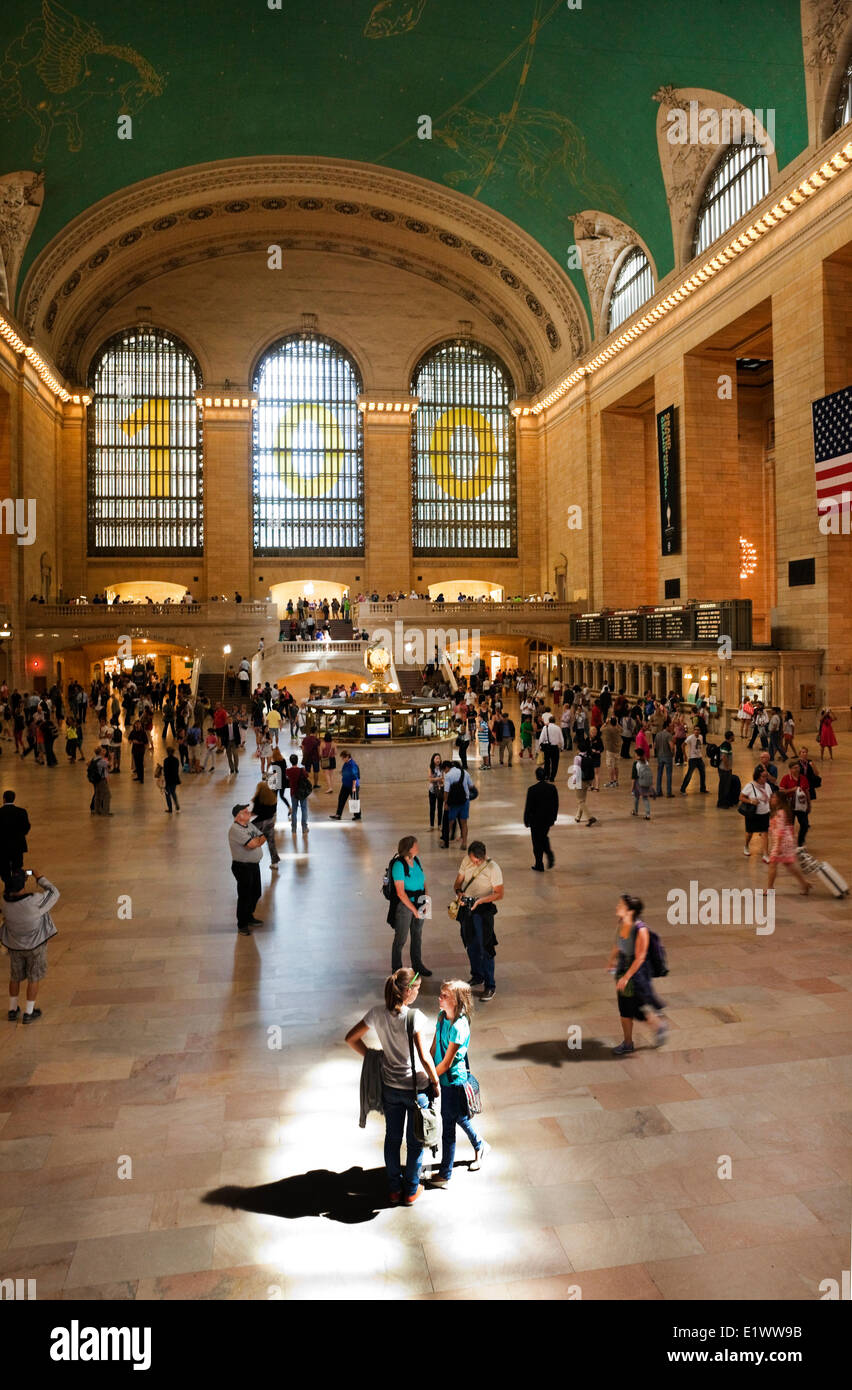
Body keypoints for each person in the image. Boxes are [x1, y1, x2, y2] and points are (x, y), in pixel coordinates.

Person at [345, 969, 441, 1206]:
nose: (418, 993)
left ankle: (394, 1189)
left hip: (390, 1087)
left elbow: (351, 1038)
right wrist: (436, 1083)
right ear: (407, 991)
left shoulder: (376, 1013)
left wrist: (372, 1056)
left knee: (392, 1138)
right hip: (416, 1088)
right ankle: (410, 1190)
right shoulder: (415, 1017)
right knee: (416, 1140)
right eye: (416, 989)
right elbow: (423, 1056)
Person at [428, 980, 489, 1187]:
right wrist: (426, 1067)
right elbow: (433, 1047)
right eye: (441, 994)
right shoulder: (441, 1017)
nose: (439, 997)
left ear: (456, 1001)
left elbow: (447, 1063)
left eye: (444, 995)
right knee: (459, 1117)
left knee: (449, 1127)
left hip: (453, 1082)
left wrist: (429, 1079)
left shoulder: (460, 1026)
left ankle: (445, 1174)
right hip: (441, 1077)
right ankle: (480, 1145)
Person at [606, 894, 667, 1054]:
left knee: (635, 1009)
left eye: (621, 905)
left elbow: (640, 957)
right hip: (622, 970)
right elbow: (618, 944)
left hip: (637, 975)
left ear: (631, 911)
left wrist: (627, 977)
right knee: (625, 1009)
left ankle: (658, 1026)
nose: (617, 907)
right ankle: (628, 1042)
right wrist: (611, 961)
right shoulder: (622, 923)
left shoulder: (641, 930)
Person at [2, 868, 59, 1026]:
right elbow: (54, 892)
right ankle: (29, 1012)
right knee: (34, 977)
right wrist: (39, 876)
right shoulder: (35, 900)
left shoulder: (4, 901)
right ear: (23, 885)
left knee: (15, 977)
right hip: (35, 945)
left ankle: (12, 1010)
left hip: (14, 946)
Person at [453, 841, 502, 1001]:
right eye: (474, 860)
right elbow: (458, 883)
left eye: (479, 860)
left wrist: (480, 901)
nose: (476, 862)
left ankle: (490, 985)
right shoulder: (466, 861)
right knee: (470, 944)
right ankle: (477, 975)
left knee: (486, 947)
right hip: (466, 910)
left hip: (483, 911)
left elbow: (499, 894)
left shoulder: (493, 868)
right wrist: (460, 893)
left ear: (484, 855)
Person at [388, 836, 432, 976]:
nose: (418, 847)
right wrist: (414, 910)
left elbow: (424, 881)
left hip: (421, 902)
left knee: (417, 935)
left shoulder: (416, 860)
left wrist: (426, 900)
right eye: (415, 845)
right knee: (401, 938)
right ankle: (397, 969)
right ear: (409, 848)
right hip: (405, 906)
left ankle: (417, 964)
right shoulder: (398, 865)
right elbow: (400, 893)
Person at [228, 805, 265, 936]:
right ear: (238, 816)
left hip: (254, 865)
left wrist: (256, 840)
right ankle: (242, 924)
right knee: (245, 896)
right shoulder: (235, 829)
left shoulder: (249, 825)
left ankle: (249, 916)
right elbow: (253, 844)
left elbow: (262, 837)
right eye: (245, 811)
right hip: (242, 867)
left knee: (256, 893)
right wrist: (256, 840)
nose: (248, 812)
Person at [767, 794, 811, 894]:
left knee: (773, 864)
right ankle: (805, 884)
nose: (771, 799)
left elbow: (780, 830)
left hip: (782, 842)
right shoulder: (779, 812)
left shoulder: (780, 813)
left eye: (774, 797)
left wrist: (777, 846)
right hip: (784, 841)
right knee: (789, 865)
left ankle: (770, 888)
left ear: (779, 800)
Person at [524, 766, 558, 870]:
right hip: (547, 819)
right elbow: (556, 804)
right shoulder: (552, 788)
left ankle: (539, 863)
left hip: (535, 820)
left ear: (536, 777)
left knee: (536, 841)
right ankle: (548, 854)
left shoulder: (532, 789)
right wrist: (553, 818)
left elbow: (528, 806)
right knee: (543, 837)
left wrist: (526, 820)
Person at [740, 765, 772, 862]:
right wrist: (751, 801)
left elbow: (770, 798)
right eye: (763, 776)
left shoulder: (767, 786)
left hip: (765, 813)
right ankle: (746, 845)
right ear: (758, 776)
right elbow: (741, 797)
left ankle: (765, 854)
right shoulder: (750, 786)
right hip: (753, 814)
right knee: (750, 833)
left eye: (766, 776)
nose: (765, 778)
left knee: (765, 833)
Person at [0, 790, 30, 888]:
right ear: (14, 799)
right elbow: (27, 827)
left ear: (3, 799)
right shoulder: (21, 811)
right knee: (17, 867)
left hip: (2, 847)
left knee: (4, 868)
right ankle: (17, 887)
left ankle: (8, 887)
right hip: (18, 846)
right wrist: (20, 836)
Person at [441, 759, 473, 850]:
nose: (444, 772)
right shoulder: (464, 772)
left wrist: (446, 803)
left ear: (447, 768)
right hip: (465, 801)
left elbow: (446, 791)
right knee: (464, 823)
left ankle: (445, 842)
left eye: (444, 770)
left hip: (454, 803)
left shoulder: (448, 775)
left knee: (450, 823)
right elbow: (471, 785)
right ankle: (464, 843)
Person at [779, 759, 812, 846]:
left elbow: (807, 792)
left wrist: (809, 804)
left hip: (801, 805)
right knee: (790, 826)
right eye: (794, 768)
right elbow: (781, 792)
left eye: (798, 767)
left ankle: (800, 842)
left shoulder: (803, 778)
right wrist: (792, 789)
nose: (797, 769)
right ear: (790, 769)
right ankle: (788, 843)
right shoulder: (786, 778)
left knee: (804, 825)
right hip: (790, 806)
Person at [251, 779, 281, 868]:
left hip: (258, 824)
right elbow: (274, 811)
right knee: (271, 842)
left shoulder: (257, 799)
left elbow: (255, 812)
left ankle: (253, 860)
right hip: (270, 822)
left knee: (253, 842)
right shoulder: (272, 798)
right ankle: (274, 862)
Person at [329, 750, 360, 820]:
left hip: (352, 785)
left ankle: (357, 816)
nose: (342, 759)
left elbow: (354, 776)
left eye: (343, 758)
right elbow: (345, 771)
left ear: (347, 757)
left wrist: (354, 787)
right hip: (345, 785)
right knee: (341, 799)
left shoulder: (352, 764)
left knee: (354, 800)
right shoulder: (346, 763)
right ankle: (338, 815)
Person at [284, 754, 311, 834]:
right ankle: (304, 828)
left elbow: (287, 778)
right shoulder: (302, 770)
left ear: (290, 761)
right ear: (297, 761)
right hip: (302, 792)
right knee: (304, 809)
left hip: (293, 793)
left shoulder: (288, 771)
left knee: (294, 811)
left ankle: (294, 829)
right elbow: (307, 776)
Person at [679, 725, 707, 794]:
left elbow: (700, 746)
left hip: (699, 758)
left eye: (698, 730)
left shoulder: (701, 737)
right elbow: (682, 745)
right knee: (689, 774)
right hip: (693, 758)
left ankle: (703, 789)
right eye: (695, 730)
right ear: (693, 731)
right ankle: (683, 789)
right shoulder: (690, 737)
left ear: (700, 731)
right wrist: (685, 755)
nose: (697, 731)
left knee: (703, 773)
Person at [538, 713, 563, 782]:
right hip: (555, 748)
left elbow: (541, 739)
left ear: (549, 721)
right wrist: (562, 747)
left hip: (547, 747)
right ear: (554, 721)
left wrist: (540, 746)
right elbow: (561, 739)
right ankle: (552, 777)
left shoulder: (545, 728)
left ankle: (547, 775)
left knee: (547, 762)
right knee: (555, 763)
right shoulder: (558, 728)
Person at [653, 720, 675, 798]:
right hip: (668, 756)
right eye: (670, 726)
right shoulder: (669, 735)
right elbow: (671, 746)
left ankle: (658, 791)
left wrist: (658, 752)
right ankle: (668, 792)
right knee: (668, 775)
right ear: (667, 726)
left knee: (659, 774)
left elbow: (654, 746)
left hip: (660, 756)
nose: (671, 727)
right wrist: (673, 753)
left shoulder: (658, 734)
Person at [89, 745, 112, 815]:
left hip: (95, 779)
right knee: (107, 795)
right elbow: (110, 766)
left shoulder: (94, 759)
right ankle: (105, 811)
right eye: (102, 750)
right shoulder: (102, 761)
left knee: (97, 795)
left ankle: (97, 810)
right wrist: (112, 758)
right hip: (101, 780)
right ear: (100, 752)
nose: (104, 751)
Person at [631, 749, 653, 819]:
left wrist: (632, 787)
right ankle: (648, 814)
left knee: (636, 798)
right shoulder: (646, 762)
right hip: (645, 782)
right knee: (645, 798)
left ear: (637, 756)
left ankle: (636, 811)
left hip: (638, 782)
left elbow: (634, 777)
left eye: (635, 754)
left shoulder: (636, 764)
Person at [601, 716, 621, 789]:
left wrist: (606, 723)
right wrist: (617, 724)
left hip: (610, 750)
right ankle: (616, 781)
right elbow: (622, 730)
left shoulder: (608, 729)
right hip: (617, 749)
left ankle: (611, 781)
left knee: (610, 766)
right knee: (616, 766)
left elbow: (600, 729)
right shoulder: (617, 729)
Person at [427, 753, 444, 830]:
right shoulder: (430, 768)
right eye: (436, 758)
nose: (438, 760)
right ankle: (431, 825)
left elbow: (443, 778)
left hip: (440, 790)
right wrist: (439, 779)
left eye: (439, 758)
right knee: (432, 808)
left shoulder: (442, 768)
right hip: (432, 790)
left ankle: (440, 825)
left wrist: (438, 779)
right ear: (433, 760)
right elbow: (430, 779)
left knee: (440, 807)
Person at [163, 746, 181, 813]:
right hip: (175, 779)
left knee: (167, 794)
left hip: (168, 779)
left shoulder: (166, 760)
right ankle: (177, 805)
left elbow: (165, 771)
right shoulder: (176, 760)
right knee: (173, 792)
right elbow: (177, 769)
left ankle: (170, 808)